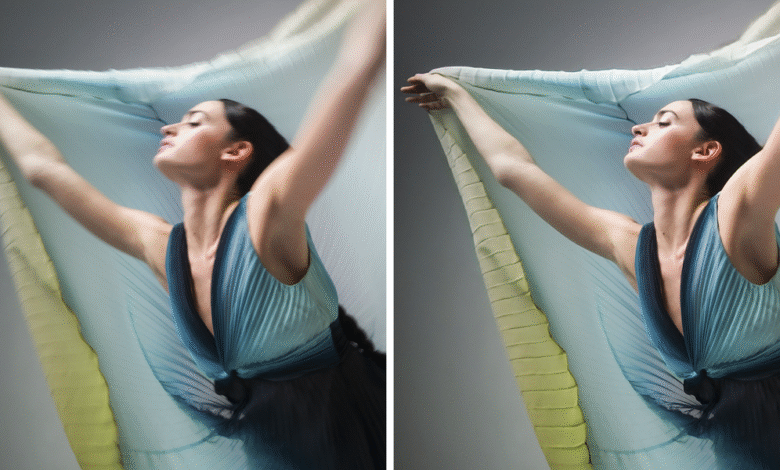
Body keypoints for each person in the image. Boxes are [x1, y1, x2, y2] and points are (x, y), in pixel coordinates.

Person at [0, 1, 386, 468]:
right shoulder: (159, 245)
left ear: (237, 151)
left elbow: (355, 71)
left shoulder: (267, 211)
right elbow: (44, 171)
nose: (169, 125)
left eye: (194, 122)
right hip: (268, 450)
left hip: (351, 439)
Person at [403, 72, 780, 467]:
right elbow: (514, 170)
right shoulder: (630, 245)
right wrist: (457, 94)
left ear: (704, 152)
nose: (640, 126)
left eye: (664, 122)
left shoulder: (738, 211)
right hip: (739, 447)